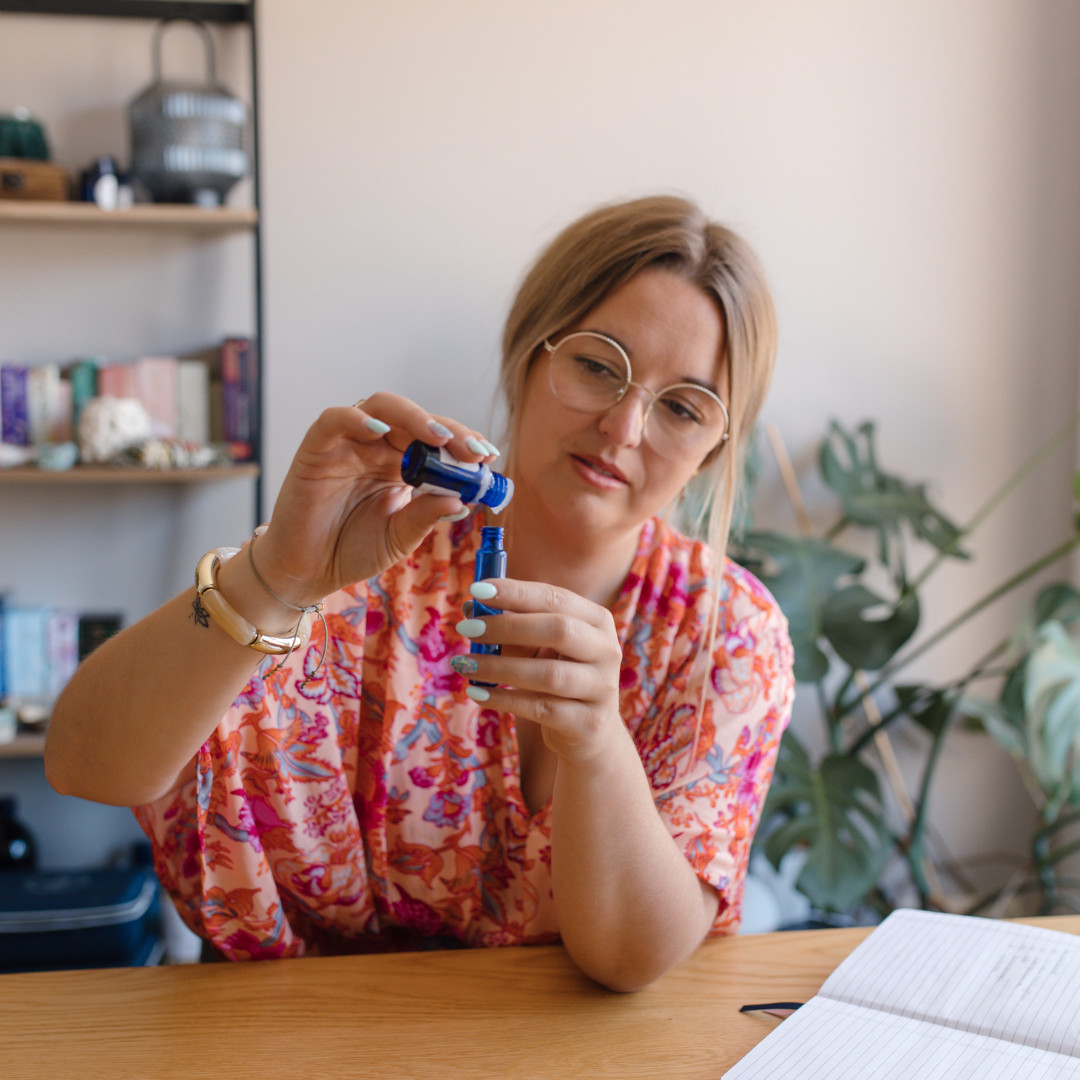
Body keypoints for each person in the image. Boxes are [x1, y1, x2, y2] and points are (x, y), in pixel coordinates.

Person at [46, 194, 794, 992]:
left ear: (714, 453)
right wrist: (277, 576)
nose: (624, 429)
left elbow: (628, 960)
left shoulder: (731, 630)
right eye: (597, 365)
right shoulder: (366, 558)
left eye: (681, 407)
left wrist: (598, 743)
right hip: (292, 1036)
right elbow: (85, 764)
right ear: (527, 354)